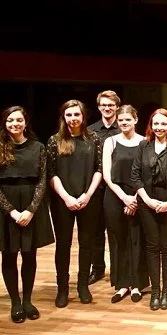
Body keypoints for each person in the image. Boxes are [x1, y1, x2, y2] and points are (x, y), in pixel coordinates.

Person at [0, 106, 53, 322]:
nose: (15, 124)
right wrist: (11, 211)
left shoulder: (38, 147)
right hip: (6, 207)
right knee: (9, 255)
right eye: (10, 120)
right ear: (4, 123)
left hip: (31, 204)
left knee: (30, 255)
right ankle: (15, 302)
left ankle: (28, 300)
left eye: (19, 120)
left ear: (25, 122)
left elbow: (42, 180)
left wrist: (31, 209)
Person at [48, 100, 103, 308]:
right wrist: (67, 197)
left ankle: (82, 286)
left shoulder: (94, 139)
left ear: (83, 116)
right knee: (63, 245)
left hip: (89, 199)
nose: (73, 119)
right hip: (63, 200)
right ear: (64, 117)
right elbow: (51, 173)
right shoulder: (54, 141)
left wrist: (87, 195)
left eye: (76, 115)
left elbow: (99, 169)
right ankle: (62, 288)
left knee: (87, 243)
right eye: (69, 115)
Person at [131, 108, 167, 310]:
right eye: (156, 124)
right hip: (147, 202)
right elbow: (135, 176)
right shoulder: (143, 146)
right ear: (150, 126)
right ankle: (155, 291)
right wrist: (147, 200)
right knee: (153, 247)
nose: (159, 127)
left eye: (164, 124)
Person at [102, 105, 149, 303]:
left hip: (138, 195)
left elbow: (147, 174)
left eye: (127, 119)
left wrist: (135, 199)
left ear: (136, 120)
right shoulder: (110, 142)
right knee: (118, 239)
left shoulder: (145, 142)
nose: (123, 123)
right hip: (115, 196)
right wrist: (124, 198)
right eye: (121, 120)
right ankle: (122, 285)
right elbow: (107, 175)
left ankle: (137, 284)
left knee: (138, 240)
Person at [88, 90, 121, 285]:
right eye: (104, 105)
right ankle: (98, 268)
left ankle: (118, 270)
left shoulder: (125, 128)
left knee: (116, 232)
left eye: (111, 105)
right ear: (99, 107)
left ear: (117, 106)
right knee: (95, 232)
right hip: (96, 188)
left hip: (117, 188)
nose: (107, 108)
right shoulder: (91, 131)